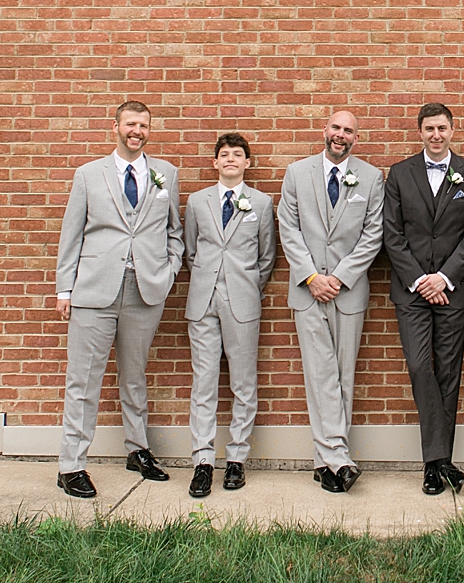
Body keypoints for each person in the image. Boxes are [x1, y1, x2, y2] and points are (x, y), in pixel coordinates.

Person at [54, 100, 184, 498]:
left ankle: (137, 449)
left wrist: (168, 271)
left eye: (144, 125)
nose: (137, 131)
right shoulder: (89, 174)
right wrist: (65, 287)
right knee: (84, 379)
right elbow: (71, 233)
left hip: (144, 290)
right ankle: (71, 465)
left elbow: (174, 231)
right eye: (131, 124)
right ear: (115, 127)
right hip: (94, 289)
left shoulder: (166, 174)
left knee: (134, 375)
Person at [383, 101, 464, 494]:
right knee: (418, 366)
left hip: (452, 290)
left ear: (451, 130)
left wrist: (444, 278)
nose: (436, 135)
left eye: (442, 128)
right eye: (429, 128)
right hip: (411, 292)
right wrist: (420, 279)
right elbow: (391, 233)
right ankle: (442, 460)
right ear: (420, 131)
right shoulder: (398, 174)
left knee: (448, 372)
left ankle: (434, 466)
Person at [276, 111, 385, 493]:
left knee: (343, 375)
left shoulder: (371, 178)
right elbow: (287, 227)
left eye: (349, 131)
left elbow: (373, 234)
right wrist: (311, 276)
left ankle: (328, 464)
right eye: (336, 128)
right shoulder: (297, 172)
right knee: (319, 374)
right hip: (307, 290)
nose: (341, 135)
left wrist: (338, 277)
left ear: (357, 137)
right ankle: (339, 459)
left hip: (348, 291)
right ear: (325, 131)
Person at [182, 132, 277, 498]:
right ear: (215, 162)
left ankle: (236, 459)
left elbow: (267, 256)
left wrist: (248, 286)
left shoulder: (262, 202)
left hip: (243, 301)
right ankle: (203, 461)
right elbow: (192, 251)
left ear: (247, 163)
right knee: (203, 383)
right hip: (203, 301)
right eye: (224, 154)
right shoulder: (197, 201)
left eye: (238, 154)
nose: (231, 159)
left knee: (242, 382)